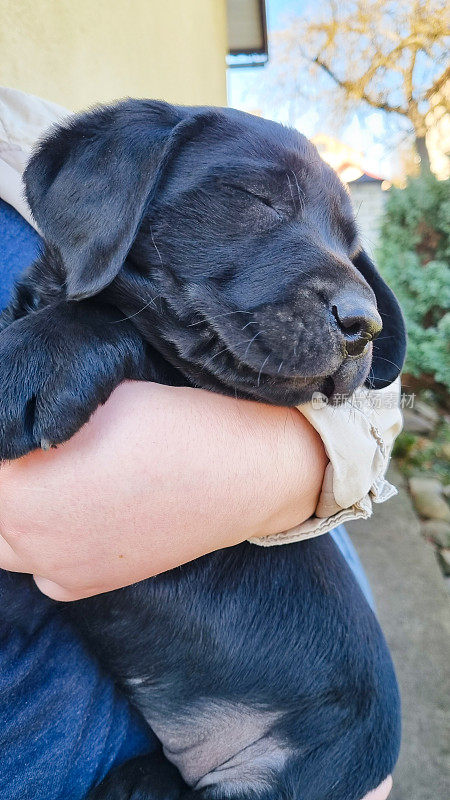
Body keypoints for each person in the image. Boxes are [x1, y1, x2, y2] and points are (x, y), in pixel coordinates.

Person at [0, 87, 401, 800]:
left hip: (324, 733)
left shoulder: (40, 129)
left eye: (345, 247)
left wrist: (291, 463)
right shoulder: (125, 169)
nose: (359, 304)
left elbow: (372, 408)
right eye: (263, 205)